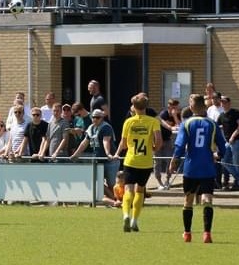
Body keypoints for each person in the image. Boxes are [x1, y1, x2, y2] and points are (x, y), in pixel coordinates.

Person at [168, 94, 227, 243]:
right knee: (208, 199)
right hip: (207, 167)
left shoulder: (187, 123)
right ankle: (207, 233)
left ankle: (187, 233)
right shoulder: (212, 124)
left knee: (188, 200)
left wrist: (174, 161)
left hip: (191, 167)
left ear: (193, 106)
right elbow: (223, 146)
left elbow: (180, 145)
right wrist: (218, 155)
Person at [115, 93, 163, 232]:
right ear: (146, 106)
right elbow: (158, 141)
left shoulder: (129, 122)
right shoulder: (153, 121)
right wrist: (153, 148)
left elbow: (123, 144)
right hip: (145, 162)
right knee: (140, 190)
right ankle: (134, 221)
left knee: (128, 190)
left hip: (131, 160)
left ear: (134, 107)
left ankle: (125, 215)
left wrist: (118, 153)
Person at [70, 109, 119, 202]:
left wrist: (108, 153)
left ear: (102, 118)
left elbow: (106, 141)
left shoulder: (106, 127)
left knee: (111, 183)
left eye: (97, 117)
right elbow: (84, 143)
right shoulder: (91, 128)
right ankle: (114, 200)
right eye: (93, 117)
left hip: (110, 160)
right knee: (97, 180)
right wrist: (76, 154)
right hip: (98, 160)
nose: (95, 119)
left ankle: (116, 200)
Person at [218, 96, 239, 191]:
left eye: (225, 102)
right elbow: (219, 128)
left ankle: (238, 182)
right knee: (224, 161)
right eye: (221, 102)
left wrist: (233, 136)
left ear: (229, 103)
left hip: (237, 140)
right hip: (227, 142)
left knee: (236, 162)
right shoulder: (221, 115)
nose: (223, 104)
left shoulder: (235, 113)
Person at [154, 99, 181, 190]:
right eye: (173, 108)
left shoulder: (177, 115)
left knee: (169, 161)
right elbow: (162, 122)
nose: (175, 110)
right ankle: (159, 182)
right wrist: (170, 127)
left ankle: (167, 180)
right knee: (157, 162)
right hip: (158, 140)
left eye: (176, 108)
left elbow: (180, 126)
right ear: (169, 107)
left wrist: (174, 116)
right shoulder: (163, 114)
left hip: (167, 141)